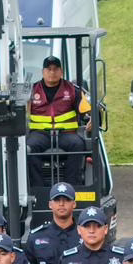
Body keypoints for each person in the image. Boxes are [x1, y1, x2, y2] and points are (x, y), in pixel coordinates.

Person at [27, 56, 90, 186]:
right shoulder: (31, 91)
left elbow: (86, 110)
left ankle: (71, 187)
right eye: (48, 69)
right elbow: (21, 112)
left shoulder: (73, 90)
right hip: (40, 134)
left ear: (61, 72)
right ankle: (36, 189)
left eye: (56, 69)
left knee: (78, 145)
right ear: (43, 72)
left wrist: (94, 118)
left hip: (66, 134)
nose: (52, 72)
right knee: (28, 148)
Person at [26, 183, 82, 264]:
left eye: (66, 200)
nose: (61, 204)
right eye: (57, 200)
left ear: (74, 204)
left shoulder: (84, 235)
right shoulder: (36, 237)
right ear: (50, 204)